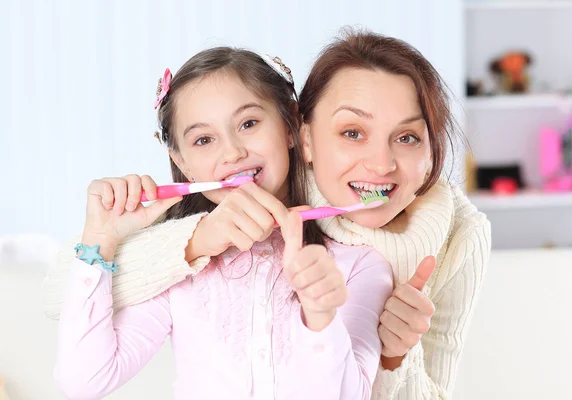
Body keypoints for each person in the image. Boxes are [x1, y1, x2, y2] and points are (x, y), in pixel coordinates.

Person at [45, 29, 491, 399]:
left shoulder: (358, 264)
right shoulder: (181, 269)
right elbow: (83, 382)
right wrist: (101, 240)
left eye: (249, 124)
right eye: (203, 140)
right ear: (180, 163)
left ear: (291, 129)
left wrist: (321, 316)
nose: (234, 152)